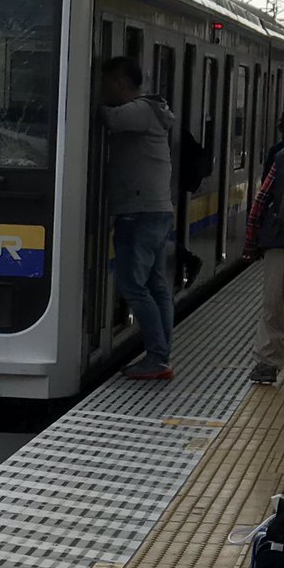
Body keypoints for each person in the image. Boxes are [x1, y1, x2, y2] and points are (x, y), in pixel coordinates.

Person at [100, 56, 176, 380]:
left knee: (133, 284)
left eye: (105, 84)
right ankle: (160, 355)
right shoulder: (152, 112)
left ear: (119, 83)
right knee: (156, 286)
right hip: (154, 211)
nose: (103, 91)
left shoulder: (141, 110)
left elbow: (110, 119)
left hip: (139, 213)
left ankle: (158, 359)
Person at [242, 143, 284, 387]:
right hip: (280, 242)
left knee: (274, 303)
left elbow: (261, 201)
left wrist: (251, 245)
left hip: (278, 242)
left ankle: (267, 363)